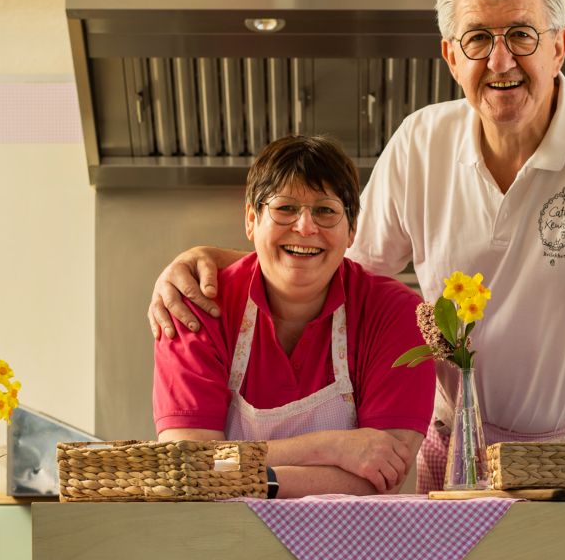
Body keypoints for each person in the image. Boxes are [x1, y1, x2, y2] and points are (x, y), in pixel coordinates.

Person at [148, 0, 565, 560]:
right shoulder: (420, 142)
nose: (500, 61)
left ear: (559, 46)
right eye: (478, 39)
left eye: (522, 36)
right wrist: (214, 259)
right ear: (451, 56)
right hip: (463, 451)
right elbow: (332, 262)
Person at [153, 134, 433, 497]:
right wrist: (330, 448)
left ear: (352, 231)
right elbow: (190, 465)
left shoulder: (395, 315)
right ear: (251, 220)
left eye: (326, 210)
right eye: (285, 208)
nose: (305, 228)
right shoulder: (196, 307)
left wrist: (235, 473)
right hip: (221, 544)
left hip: (352, 547)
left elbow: (381, 473)